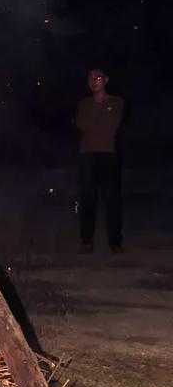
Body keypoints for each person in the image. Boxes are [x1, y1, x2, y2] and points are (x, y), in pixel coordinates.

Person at [75, 68, 124, 253]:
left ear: (106, 80)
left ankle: (115, 242)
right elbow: (82, 125)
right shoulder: (84, 103)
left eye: (97, 77)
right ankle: (86, 240)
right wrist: (99, 111)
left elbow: (111, 126)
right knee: (88, 198)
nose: (93, 81)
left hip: (108, 154)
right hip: (87, 154)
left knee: (112, 198)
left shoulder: (117, 102)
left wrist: (97, 118)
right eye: (90, 78)